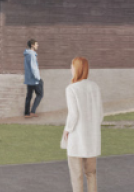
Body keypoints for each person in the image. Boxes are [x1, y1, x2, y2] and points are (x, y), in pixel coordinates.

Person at [62, 56, 101, 192]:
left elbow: (73, 115)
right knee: (91, 173)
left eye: (72, 66)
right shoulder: (94, 87)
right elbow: (100, 113)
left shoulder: (72, 89)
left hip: (77, 137)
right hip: (92, 137)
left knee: (76, 175)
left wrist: (67, 130)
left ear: (76, 69)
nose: (70, 69)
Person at [25, 39, 44, 118]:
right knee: (40, 94)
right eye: (36, 44)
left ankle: (26, 113)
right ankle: (32, 111)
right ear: (32, 45)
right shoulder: (32, 55)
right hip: (35, 79)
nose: (37, 45)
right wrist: (38, 78)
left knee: (29, 96)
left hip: (29, 79)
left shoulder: (27, 54)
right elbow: (33, 68)